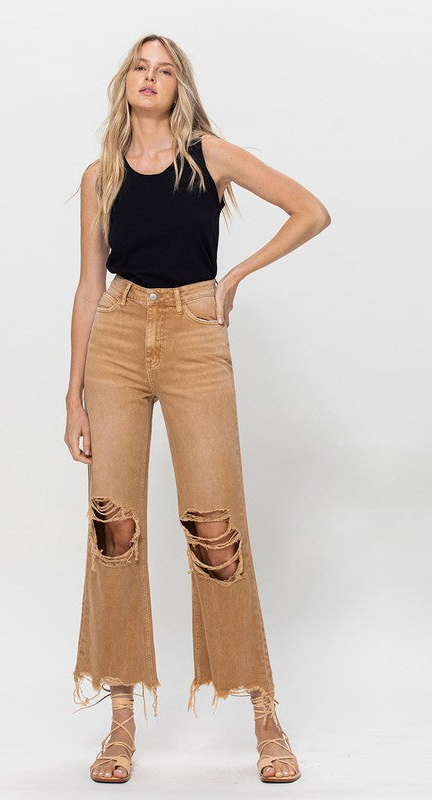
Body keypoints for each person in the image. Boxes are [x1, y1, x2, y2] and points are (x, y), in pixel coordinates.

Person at [64, 34, 330, 786]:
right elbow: (87, 287)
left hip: (193, 336)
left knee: (216, 525)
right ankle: (121, 721)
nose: (150, 78)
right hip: (116, 338)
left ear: (179, 87)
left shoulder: (209, 155)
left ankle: (264, 713)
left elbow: (311, 211)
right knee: (113, 527)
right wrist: (72, 393)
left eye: (164, 69)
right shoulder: (99, 175)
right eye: (140, 67)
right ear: (125, 83)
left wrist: (234, 276)